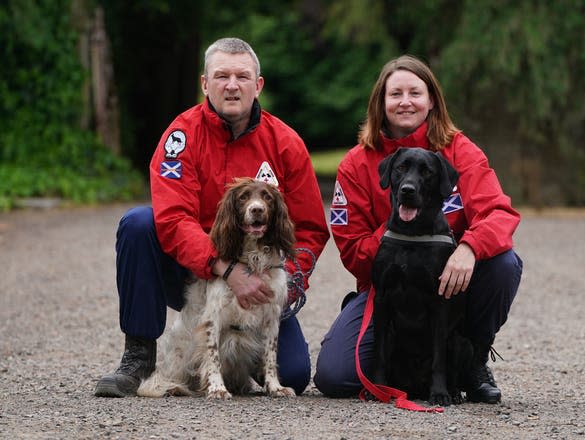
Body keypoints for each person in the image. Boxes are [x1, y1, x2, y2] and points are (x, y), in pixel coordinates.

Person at [94, 37, 329, 398]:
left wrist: (279, 285)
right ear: (205, 84)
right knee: (138, 224)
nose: (232, 85)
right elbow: (172, 220)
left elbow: (311, 228)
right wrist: (227, 270)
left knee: (295, 375)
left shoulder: (286, 142)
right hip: (191, 270)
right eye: (221, 76)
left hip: (261, 274)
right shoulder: (181, 135)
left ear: (258, 84)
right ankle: (138, 356)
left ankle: (245, 363)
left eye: (242, 76)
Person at [313, 55, 523, 404]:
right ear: (380, 102)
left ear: (432, 101)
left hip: (448, 285)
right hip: (386, 291)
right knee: (335, 377)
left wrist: (468, 248)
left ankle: (472, 360)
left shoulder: (458, 149)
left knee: (504, 263)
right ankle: (399, 364)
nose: (406, 101)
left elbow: (499, 213)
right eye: (395, 94)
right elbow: (353, 253)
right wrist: (398, 232)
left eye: (415, 92)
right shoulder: (356, 163)